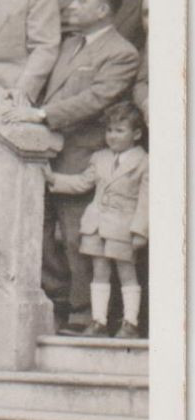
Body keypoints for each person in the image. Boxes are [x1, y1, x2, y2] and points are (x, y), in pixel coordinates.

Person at [5, 0, 141, 333]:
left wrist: (41, 114)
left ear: (102, 9)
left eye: (81, 1)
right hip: (48, 150)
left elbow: (97, 99)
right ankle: (61, 302)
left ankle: (84, 315)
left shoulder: (121, 53)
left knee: (79, 235)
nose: (72, 6)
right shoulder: (68, 45)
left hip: (82, 154)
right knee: (42, 232)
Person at [43, 102, 147, 339]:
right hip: (96, 225)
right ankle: (98, 322)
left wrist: (140, 230)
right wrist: (53, 178)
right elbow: (82, 183)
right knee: (99, 272)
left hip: (123, 226)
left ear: (137, 134)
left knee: (126, 273)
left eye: (120, 130)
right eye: (109, 130)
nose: (112, 136)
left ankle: (130, 323)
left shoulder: (144, 162)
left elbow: (145, 200)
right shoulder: (99, 158)